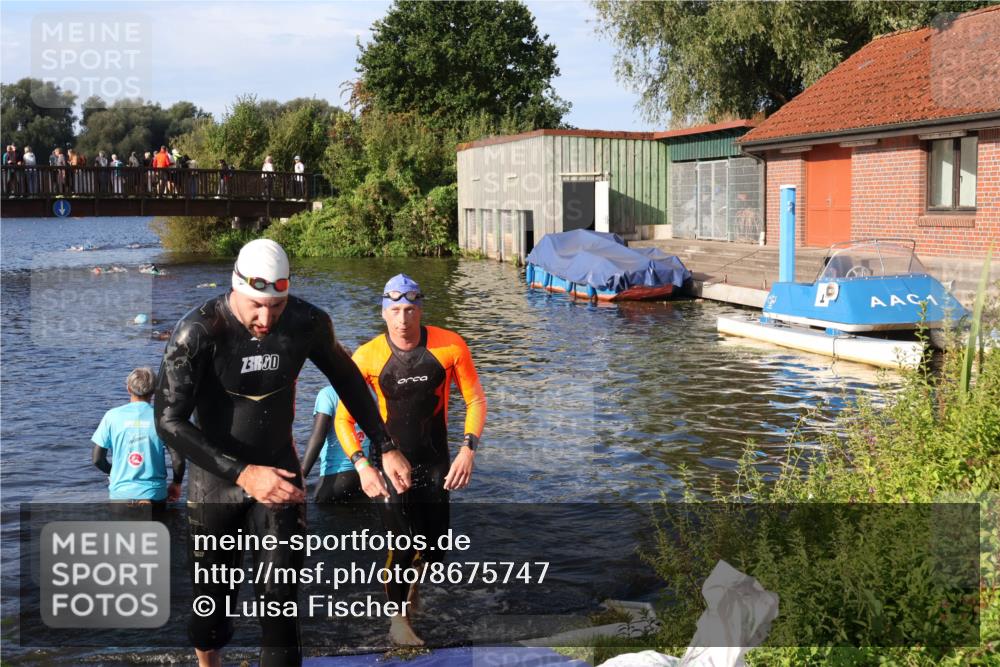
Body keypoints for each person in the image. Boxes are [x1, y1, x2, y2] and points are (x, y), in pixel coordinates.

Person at [154, 239, 411, 667]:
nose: (265, 318)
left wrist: (385, 445)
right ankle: (208, 662)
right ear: (234, 287)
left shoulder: (307, 322)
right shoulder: (197, 333)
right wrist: (243, 474)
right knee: (210, 610)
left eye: (276, 305)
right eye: (256, 305)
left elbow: (349, 381)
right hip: (215, 482)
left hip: (280, 475)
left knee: (280, 604)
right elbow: (167, 421)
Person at [335, 273, 487, 646]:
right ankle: (397, 619)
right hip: (389, 465)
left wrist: (468, 449)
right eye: (395, 311)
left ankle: (410, 589)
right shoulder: (368, 356)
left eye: (409, 309)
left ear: (420, 310)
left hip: (436, 461)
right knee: (400, 542)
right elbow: (344, 417)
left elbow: (475, 400)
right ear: (384, 313)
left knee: (435, 551)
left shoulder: (450, 346)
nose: (403, 319)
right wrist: (362, 464)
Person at [91, 368, 183, 508]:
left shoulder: (111, 416)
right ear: (154, 391)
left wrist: (114, 472)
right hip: (154, 494)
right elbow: (178, 459)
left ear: (128, 388)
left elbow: (97, 459)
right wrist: (176, 483)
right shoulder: (162, 418)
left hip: (121, 495)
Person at [301, 344, 371, 503]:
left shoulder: (327, 394)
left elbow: (317, 439)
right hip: (366, 477)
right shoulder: (369, 393)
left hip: (336, 480)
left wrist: (300, 476)